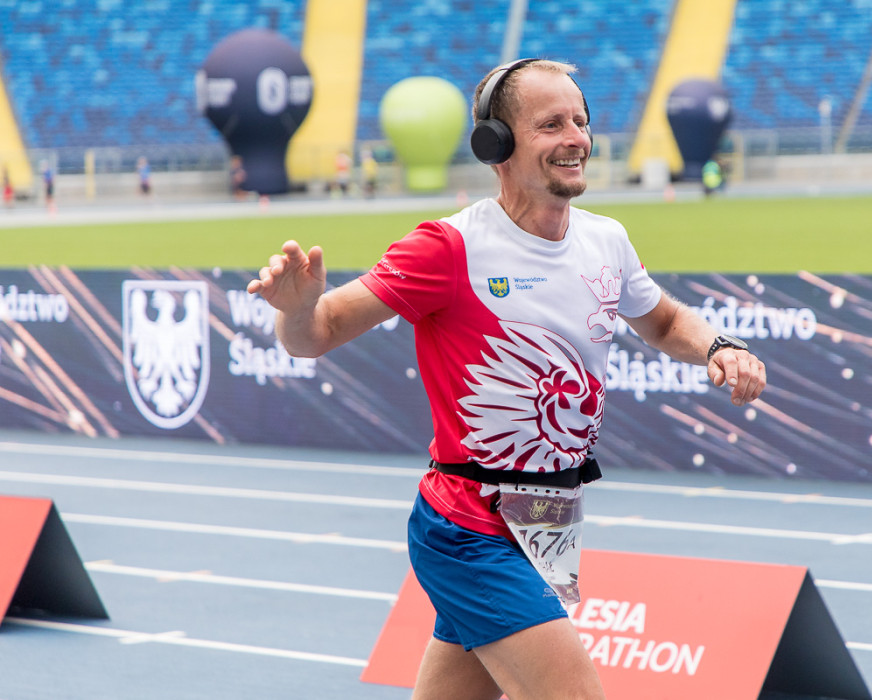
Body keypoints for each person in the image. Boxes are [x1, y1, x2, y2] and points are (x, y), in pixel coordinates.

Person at [247, 58, 766, 699]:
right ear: (495, 144)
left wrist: (718, 344)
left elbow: (663, 323)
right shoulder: (448, 247)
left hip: (547, 525)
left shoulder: (607, 240)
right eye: (551, 125)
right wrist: (297, 311)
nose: (576, 138)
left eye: (580, 121)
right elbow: (317, 333)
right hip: (468, 526)